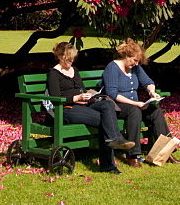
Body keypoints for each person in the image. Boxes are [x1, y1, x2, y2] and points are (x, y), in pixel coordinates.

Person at [47, 41, 135, 174]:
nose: (71, 61)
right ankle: (108, 164)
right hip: (66, 109)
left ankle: (115, 139)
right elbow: (55, 99)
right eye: (68, 59)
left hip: (83, 104)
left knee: (107, 104)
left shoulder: (74, 70)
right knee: (105, 121)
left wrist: (89, 94)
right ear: (60, 57)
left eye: (72, 59)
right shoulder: (53, 73)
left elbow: (81, 89)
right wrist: (76, 98)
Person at [102, 39, 180, 167]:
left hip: (134, 105)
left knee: (155, 111)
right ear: (126, 56)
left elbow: (147, 82)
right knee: (134, 111)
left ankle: (165, 151)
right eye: (134, 60)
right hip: (117, 105)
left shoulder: (135, 68)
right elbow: (112, 94)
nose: (136, 63)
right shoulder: (112, 68)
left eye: (138, 61)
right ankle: (132, 154)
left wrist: (152, 93)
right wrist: (135, 103)